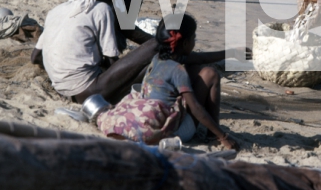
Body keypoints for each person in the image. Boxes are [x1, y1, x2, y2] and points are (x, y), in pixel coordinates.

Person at [97, 14, 243, 150]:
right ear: (185, 43)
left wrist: (231, 53)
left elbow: (200, 58)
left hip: (152, 115)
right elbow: (197, 109)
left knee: (196, 67)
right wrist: (223, 137)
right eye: (194, 38)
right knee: (210, 74)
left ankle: (212, 132)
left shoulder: (157, 58)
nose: (194, 41)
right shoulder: (177, 70)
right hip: (176, 132)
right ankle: (214, 135)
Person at [31, 0, 158, 103]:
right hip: (90, 91)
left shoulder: (56, 10)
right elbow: (112, 61)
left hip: (61, 87)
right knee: (155, 46)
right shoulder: (101, 10)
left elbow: (35, 57)